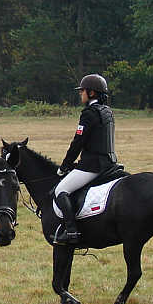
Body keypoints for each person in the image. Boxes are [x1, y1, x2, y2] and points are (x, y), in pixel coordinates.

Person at [52, 74, 117, 244]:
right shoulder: (108, 112)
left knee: (61, 191)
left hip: (92, 166)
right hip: (110, 163)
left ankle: (71, 231)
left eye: (82, 91)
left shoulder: (89, 113)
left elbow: (78, 143)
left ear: (92, 93)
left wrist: (64, 166)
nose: (80, 94)